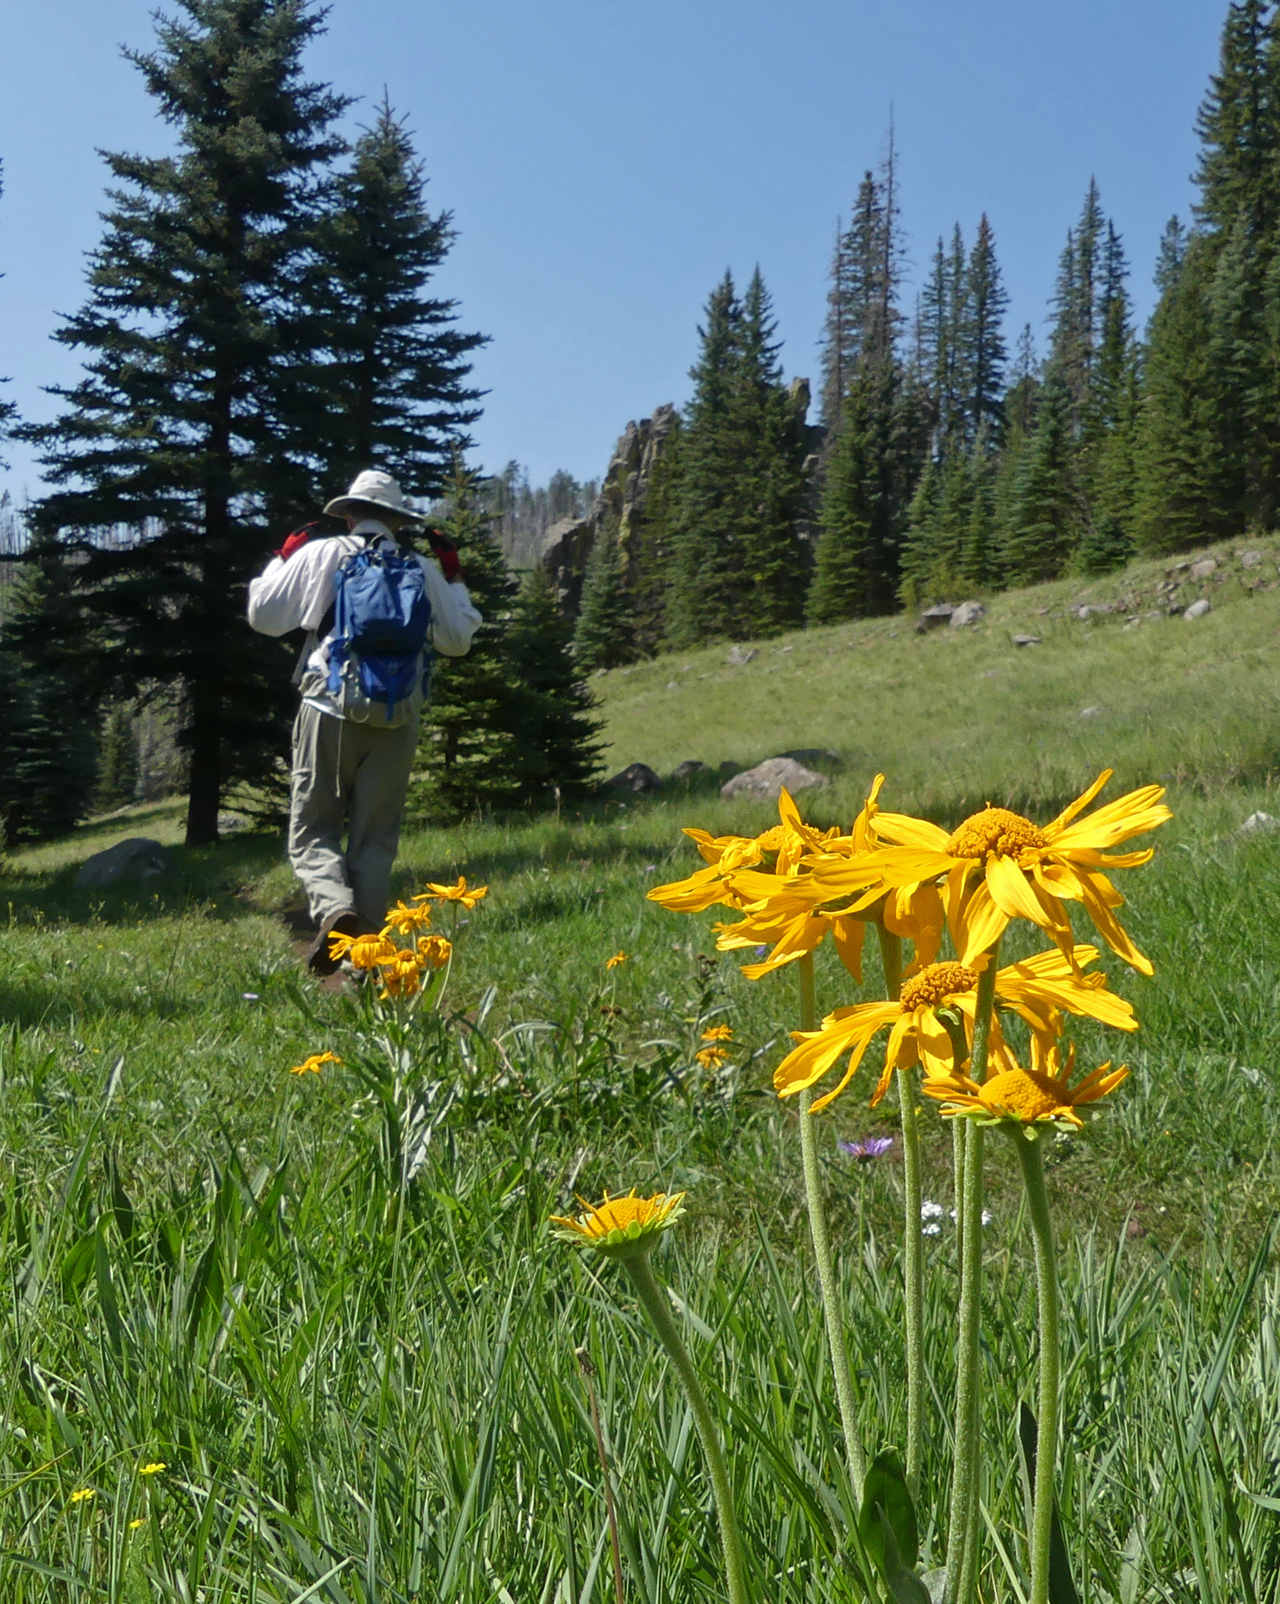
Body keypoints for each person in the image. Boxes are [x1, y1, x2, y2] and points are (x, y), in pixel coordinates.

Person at [248, 469, 481, 972]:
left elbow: (262, 616)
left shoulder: (322, 554)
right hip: (398, 717)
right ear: (397, 520)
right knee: (375, 842)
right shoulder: (420, 567)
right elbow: (458, 642)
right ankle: (368, 967)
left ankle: (335, 912)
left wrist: (279, 561)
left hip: (327, 707)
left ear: (348, 513)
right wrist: (454, 577)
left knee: (312, 832)